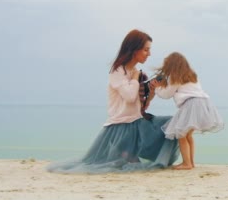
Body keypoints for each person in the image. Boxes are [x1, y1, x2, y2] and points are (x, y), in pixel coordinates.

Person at [47, 30, 179, 174]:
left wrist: (152, 92)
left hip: (137, 122)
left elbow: (141, 105)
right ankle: (127, 154)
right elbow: (129, 97)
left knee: (172, 123)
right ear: (134, 49)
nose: (149, 54)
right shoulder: (117, 71)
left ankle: (154, 159)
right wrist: (135, 78)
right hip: (121, 127)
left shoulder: (137, 72)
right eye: (146, 50)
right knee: (120, 164)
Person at [153, 52, 224, 170]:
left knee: (181, 135)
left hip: (191, 104)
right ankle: (191, 162)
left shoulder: (175, 77)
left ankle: (186, 163)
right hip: (203, 103)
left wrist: (157, 88)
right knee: (188, 135)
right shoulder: (192, 75)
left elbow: (167, 94)